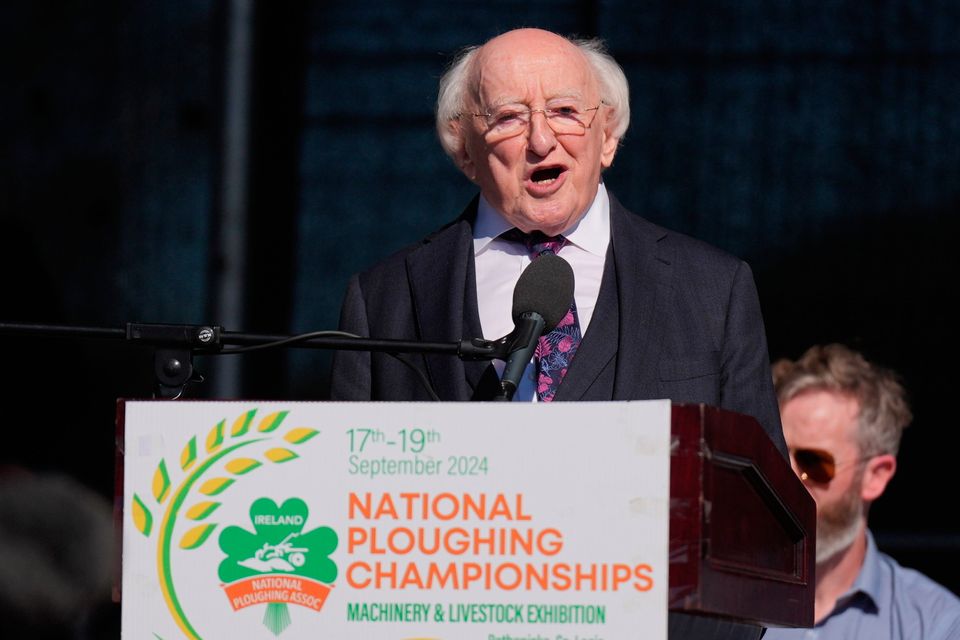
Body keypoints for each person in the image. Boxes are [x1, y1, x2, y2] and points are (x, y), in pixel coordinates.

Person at [331, 28, 785, 639]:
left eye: (567, 112)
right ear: (464, 148)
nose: (542, 139)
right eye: (508, 118)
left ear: (609, 137)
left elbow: (759, 523)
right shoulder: (386, 297)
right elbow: (345, 514)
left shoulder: (714, 289)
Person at [765, 344, 960, 639]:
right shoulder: (714, 607)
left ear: (875, 477)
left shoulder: (936, 624)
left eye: (813, 462)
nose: (787, 478)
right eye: (778, 457)